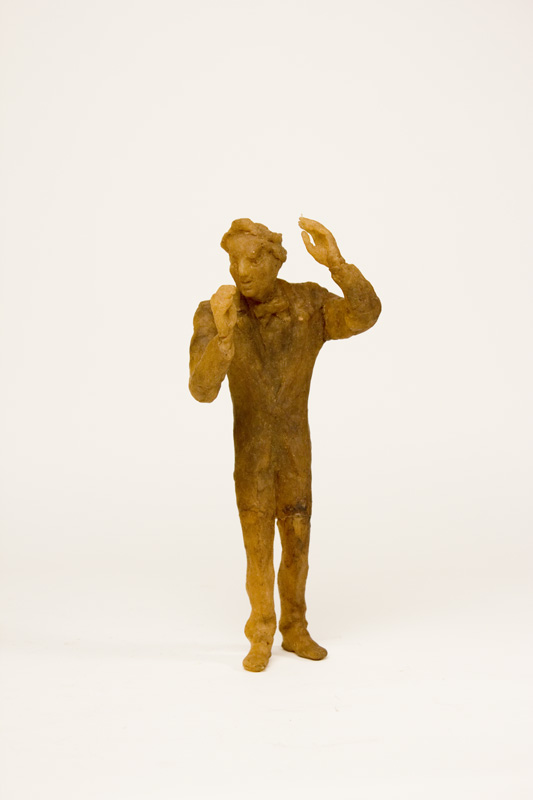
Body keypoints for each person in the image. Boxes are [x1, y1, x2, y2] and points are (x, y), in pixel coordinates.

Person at [189, 217, 381, 672]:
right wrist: (223, 339)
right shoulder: (216, 311)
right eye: (233, 261)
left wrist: (337, 265)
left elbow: (365, 315)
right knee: (257, 547)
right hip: (251, 456)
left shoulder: (309, 304)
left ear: (276, 260)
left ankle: (295, 628)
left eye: (253, 259)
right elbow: (201, 389)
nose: (241, 271)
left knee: (297, 542)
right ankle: (260, 632)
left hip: (296, 453)